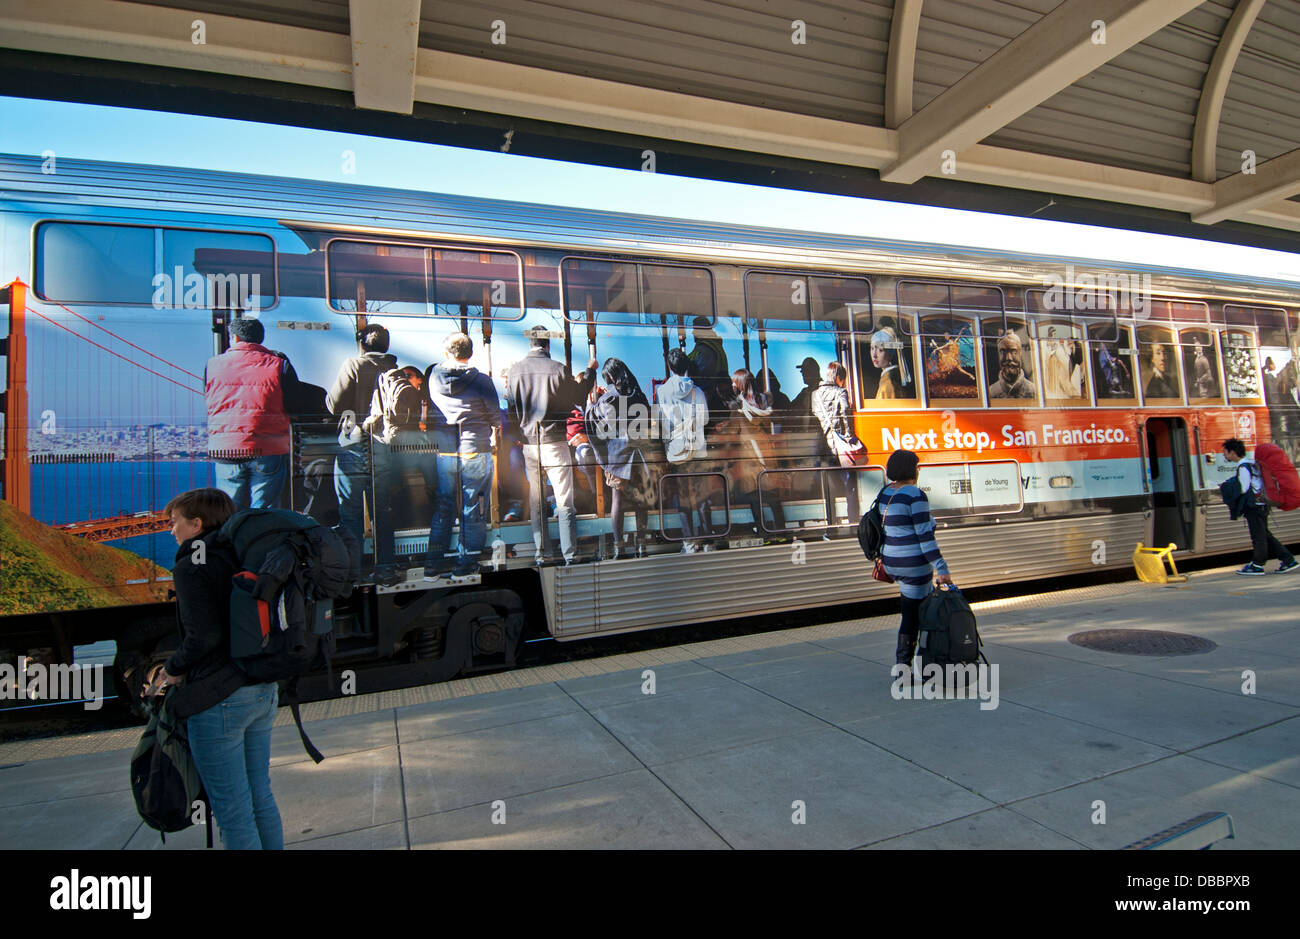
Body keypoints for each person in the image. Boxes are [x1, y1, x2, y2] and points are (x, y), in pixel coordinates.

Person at [149, 488, 283, 850]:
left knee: (233, 812)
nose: (171, 531)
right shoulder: (243, 555)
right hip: (261, 690)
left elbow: (203, 637)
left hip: (219, 700)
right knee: (260, 798)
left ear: (196, 523)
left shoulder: (190, 565)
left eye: (174, 522)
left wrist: (172, 669)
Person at [506, 326, 597, 564]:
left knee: (536, 499)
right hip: (554, 442)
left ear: (530, 344)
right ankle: (569, 553)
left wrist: (520, 435)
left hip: (529, 444)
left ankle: (542, 552)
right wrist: (589, 372)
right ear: (547, 344)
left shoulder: (515, 371)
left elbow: (511, 409)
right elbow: (577, 397)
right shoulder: (558, 369)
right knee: (564, 499)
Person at [427, 332, 503, 580]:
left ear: (447, 353)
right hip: (475, 449)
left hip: (446, 450)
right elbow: (495, 417)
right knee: (474, 508)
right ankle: (466, 563)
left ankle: (433, 566)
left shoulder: (434, 378)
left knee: (444, 506)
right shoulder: (481, 381)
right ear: (470, 354)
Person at [205, 317, 297, 509]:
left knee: (229, 510)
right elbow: (294, 403)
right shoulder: (279, 365)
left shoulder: (211, 365)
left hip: (226, 447)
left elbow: (210, 399)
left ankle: (233, 537)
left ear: (235, 338)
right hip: (267, 446)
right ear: (261, 338)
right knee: (265, 511)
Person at [364, 364, 442, 584]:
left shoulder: (423, 399)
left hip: (409, 448)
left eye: (409, 377)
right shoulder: (408, 399)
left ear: (419, 379)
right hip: (412, 448)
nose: (406, 381)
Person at [878, 449, 953, 675]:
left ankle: (924, 662)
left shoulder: (885, 492)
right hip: (912, 563)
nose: (919, 471)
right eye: (917, 467)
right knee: (914, 616)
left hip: (890, 561)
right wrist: (942, 568)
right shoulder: (915, 495)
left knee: (916, 610)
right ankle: (908, 667)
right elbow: (925, 537)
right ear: (912, 470)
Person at [327, 324, 397, 552]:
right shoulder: (395, 368)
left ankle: (353, 569)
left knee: (350, 510)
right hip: (385, 445)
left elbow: (333, 405)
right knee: (383, 510)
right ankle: (386, 568)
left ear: (361, 344)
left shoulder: (354, 364)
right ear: (386, 345)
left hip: (354, 443)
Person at [587, 357, 662, 558]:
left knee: (617, 501)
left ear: (611, 376)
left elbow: (595, 426)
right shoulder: (639, 395)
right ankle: (641, 545)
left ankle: (619, 545)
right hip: (640, 457)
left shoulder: (608, 399)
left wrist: (590, 404)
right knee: (641, 502)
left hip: (618, 458)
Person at [658, 347, 711, 553]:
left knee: (682, 498)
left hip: (676, 451)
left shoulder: (662, 392)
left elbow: (662, 423)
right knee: (701, 495)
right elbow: (705, 418)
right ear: (686, 366)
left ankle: (689, 542)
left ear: (670, 367)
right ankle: (707, 541)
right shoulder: (697, 391)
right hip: (697, 449)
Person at [1222, 438, 1298, 575]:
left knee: (1258, 536)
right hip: (1263, 504)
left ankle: (1258, 564)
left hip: (1254, 506)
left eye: (1225, 452)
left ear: (1232, 452)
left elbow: (1243, 488)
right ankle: (1288, 560)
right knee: (1265, 535)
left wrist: (1226, 487)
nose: (1224, 455)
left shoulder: (1243, 467)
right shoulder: (1253, 463)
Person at [725, 368, 786, 535]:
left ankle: (762, 530)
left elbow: (733, 430)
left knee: (753, 494)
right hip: (765, 448)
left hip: (748, 452)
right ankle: (781, 529)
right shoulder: (764, 399)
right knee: (771, 492)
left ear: (740, 384)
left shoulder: (737, 405)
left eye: (734, 381)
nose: (732, 384)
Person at [811, 361, 864, 529]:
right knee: (850, 487)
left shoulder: (815, 394)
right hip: (840, 446)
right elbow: (846, 414)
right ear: (839, 377)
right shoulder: (841, 392)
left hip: (823, 448)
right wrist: (849, 438)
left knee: (829, 489)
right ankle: (853, 523)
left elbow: (815, 418)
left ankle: (831, 525)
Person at [987, 330, 1035, 399]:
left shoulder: (1034, 391)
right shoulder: (991, 392)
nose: (1008, 358)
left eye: (1014, 352)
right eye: (1003, 352)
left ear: (1020, 354)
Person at [870, 326, 912, 399]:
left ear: (890, 353)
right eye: (872, 348)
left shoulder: (888, 384)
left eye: (880, 350)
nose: (874, 355)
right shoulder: (892, 377)